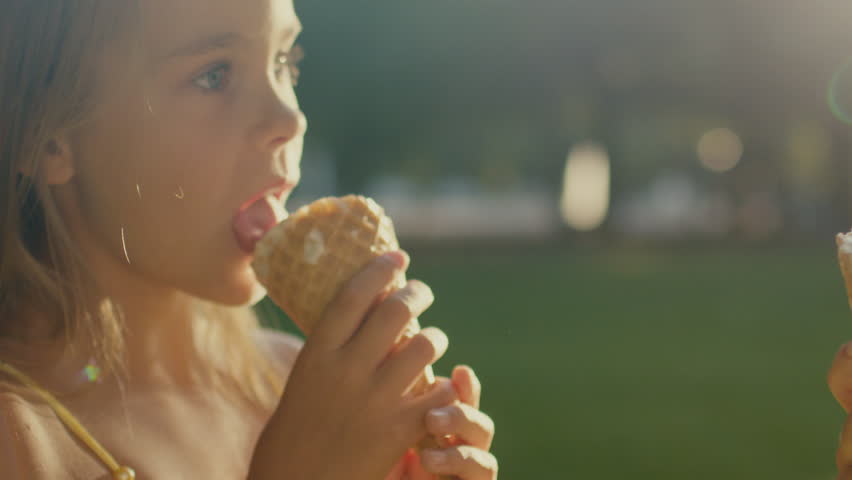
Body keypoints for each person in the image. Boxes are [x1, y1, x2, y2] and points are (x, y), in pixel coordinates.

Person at [0, 1, 498, 479]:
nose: (289, 119)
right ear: (48, 134)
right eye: (213, 75)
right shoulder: (19, 441)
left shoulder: (304, 387)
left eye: (284, 62)